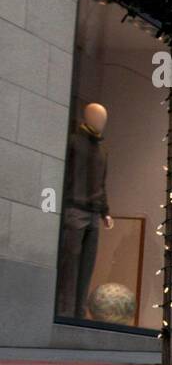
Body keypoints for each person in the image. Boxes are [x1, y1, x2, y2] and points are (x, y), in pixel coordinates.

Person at [57, 103, 114, 319]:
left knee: (86, 266)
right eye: (98, 118)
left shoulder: (103, 150)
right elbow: (66, 174)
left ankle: (78, 314)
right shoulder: (73, 142)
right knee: (69, 265)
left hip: (93, 214)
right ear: (87, 118)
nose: (101, 123)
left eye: (104, 119)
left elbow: (102, 184)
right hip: (74, 209)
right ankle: (64, 311)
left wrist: (105, 212)